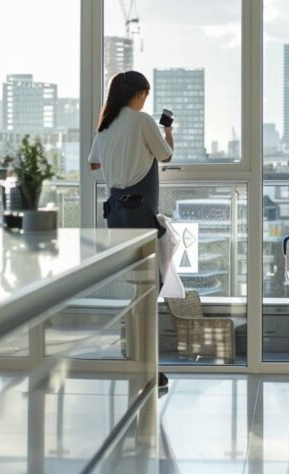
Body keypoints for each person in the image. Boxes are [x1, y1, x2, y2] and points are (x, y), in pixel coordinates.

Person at [88, 70, 174, 385]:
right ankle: (146, 366)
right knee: (149, 289)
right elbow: (166, 155)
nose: (144, 102)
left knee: (138, 288)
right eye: (144, 96)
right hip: (139, 213)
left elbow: (94, 163)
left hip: (116, 216)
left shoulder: (106, 126)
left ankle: (137, 358)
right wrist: (167, 131)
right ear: (137, 94)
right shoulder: (142, 121)